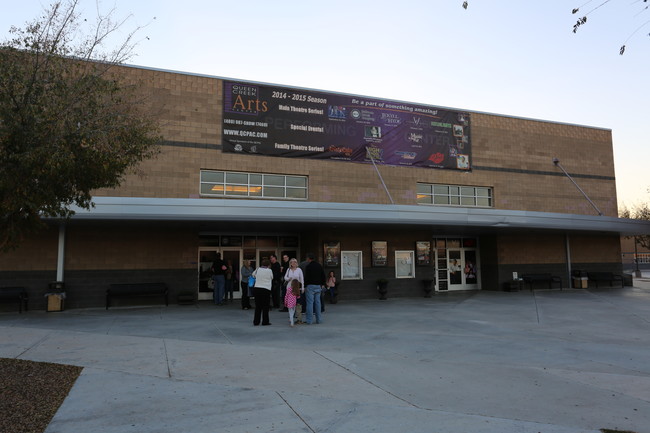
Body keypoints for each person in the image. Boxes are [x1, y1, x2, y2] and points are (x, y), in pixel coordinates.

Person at [304, 253, 326, 325]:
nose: (306, 260)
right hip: (318, 286)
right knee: (318, 303)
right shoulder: (319, 266)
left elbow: (306, 277)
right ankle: (319, 320)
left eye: (307, 258)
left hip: (310, 286)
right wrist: (322, 284)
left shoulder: (308, 266)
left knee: (310, 303)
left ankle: (309, 320)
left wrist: (304, 285)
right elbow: (323, 275)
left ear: (309, 258)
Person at [252, 259, 273, 326]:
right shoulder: (269, 270)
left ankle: (256, 321)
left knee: (258, 306)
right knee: (265, 306)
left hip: (257, 288)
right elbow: (272, 277)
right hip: (266, 288)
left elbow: (253, 275)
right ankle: (265, 321)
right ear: (268, 264)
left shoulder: (258, 269)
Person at [283, 258, 304, 322]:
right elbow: (285, 277)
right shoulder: (288, 269)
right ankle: (291, 316)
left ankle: (294, 315)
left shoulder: (299, 270)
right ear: (290, 263)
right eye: (292, 262)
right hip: (289, 287)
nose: (293, 263)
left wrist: (302, 288)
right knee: (290, 302)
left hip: (296, 288)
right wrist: (288, 278)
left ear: (296, 263)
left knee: (295, 302)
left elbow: (302, 279)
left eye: (295, 262)